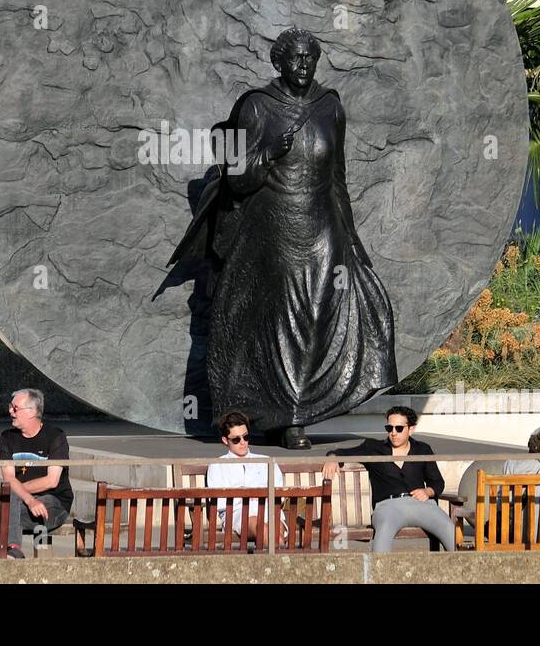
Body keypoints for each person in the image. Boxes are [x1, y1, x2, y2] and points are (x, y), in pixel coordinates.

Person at [166, 28, 395, 450]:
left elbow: (337, 179)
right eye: (297, 58)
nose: (305, 65)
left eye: (311, 57)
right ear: (279, 63)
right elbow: (236, 177)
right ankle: (287, 419)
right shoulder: (257, 106)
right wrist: (269, 149)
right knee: (284, 321)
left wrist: (353, 241)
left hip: (323, 226)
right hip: (272, 230)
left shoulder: (330, 107)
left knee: (322, 315)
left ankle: (302, 406)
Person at [322, 406, 454, 552]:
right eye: (389, 428)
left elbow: (437, 482)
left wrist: (428, 491)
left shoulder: (423, 449)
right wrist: (333, 457)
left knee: (449, 528)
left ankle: (463, 572)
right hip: (388, 506)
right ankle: (378, 574)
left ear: (411, 429)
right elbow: (341, 452)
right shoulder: (373, 447)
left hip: (421, 504)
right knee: (383, 532)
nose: (393, 433)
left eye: (399, 428)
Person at [0, 388, 72, 559]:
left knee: (10, 510)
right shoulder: (7, 438)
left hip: (55, 500)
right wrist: (29, 499)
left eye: (15, 408)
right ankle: (14, 549)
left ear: (31, 412)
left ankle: (26, 556)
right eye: (10, 406)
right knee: (9, 506)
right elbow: (8, 478)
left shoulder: (55, 436)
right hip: (25, 502)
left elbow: (52, 481)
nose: (10, 411)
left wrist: (18, 491)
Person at [205, 411, 285, 545]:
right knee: (264, 529)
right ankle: (281, 562)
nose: (242, 442)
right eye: (236, 439)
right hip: (237, 513)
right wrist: (246, 496)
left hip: (268, 510)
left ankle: (274, 562)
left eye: (245, 437)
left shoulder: (266, 461)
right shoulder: (217, 465)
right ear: (225, 440)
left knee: (275, 530)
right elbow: (218, 502)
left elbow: (279, 495)